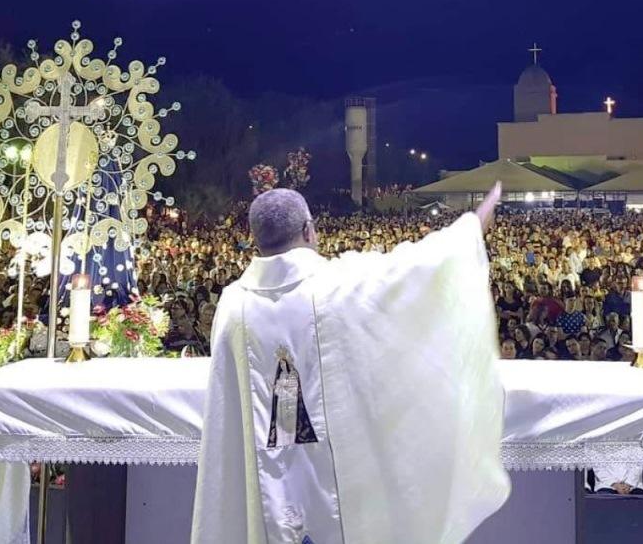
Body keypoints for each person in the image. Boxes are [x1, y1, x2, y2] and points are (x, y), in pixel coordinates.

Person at [192, 185, 510, 544]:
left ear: (256, 240)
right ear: (309, 230)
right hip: (334, 496)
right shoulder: (336, 287)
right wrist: (472, 223)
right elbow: (418, 269)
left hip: (264, 491)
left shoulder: (233, 306)